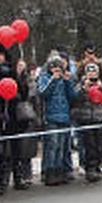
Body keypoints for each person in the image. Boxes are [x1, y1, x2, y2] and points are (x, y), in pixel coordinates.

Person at [37, 54, 77, 185]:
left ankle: (60, 171)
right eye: (54, 67)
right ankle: (50, 171)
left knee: (62, 146)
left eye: (59, 67)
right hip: (51, 117)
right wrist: (53, 80)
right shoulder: (45, 77)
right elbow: (43, 93)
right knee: (52, 146)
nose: (57, 70)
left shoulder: (65, 79)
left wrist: (67, 82)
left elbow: (72, 97)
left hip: (64, 116)